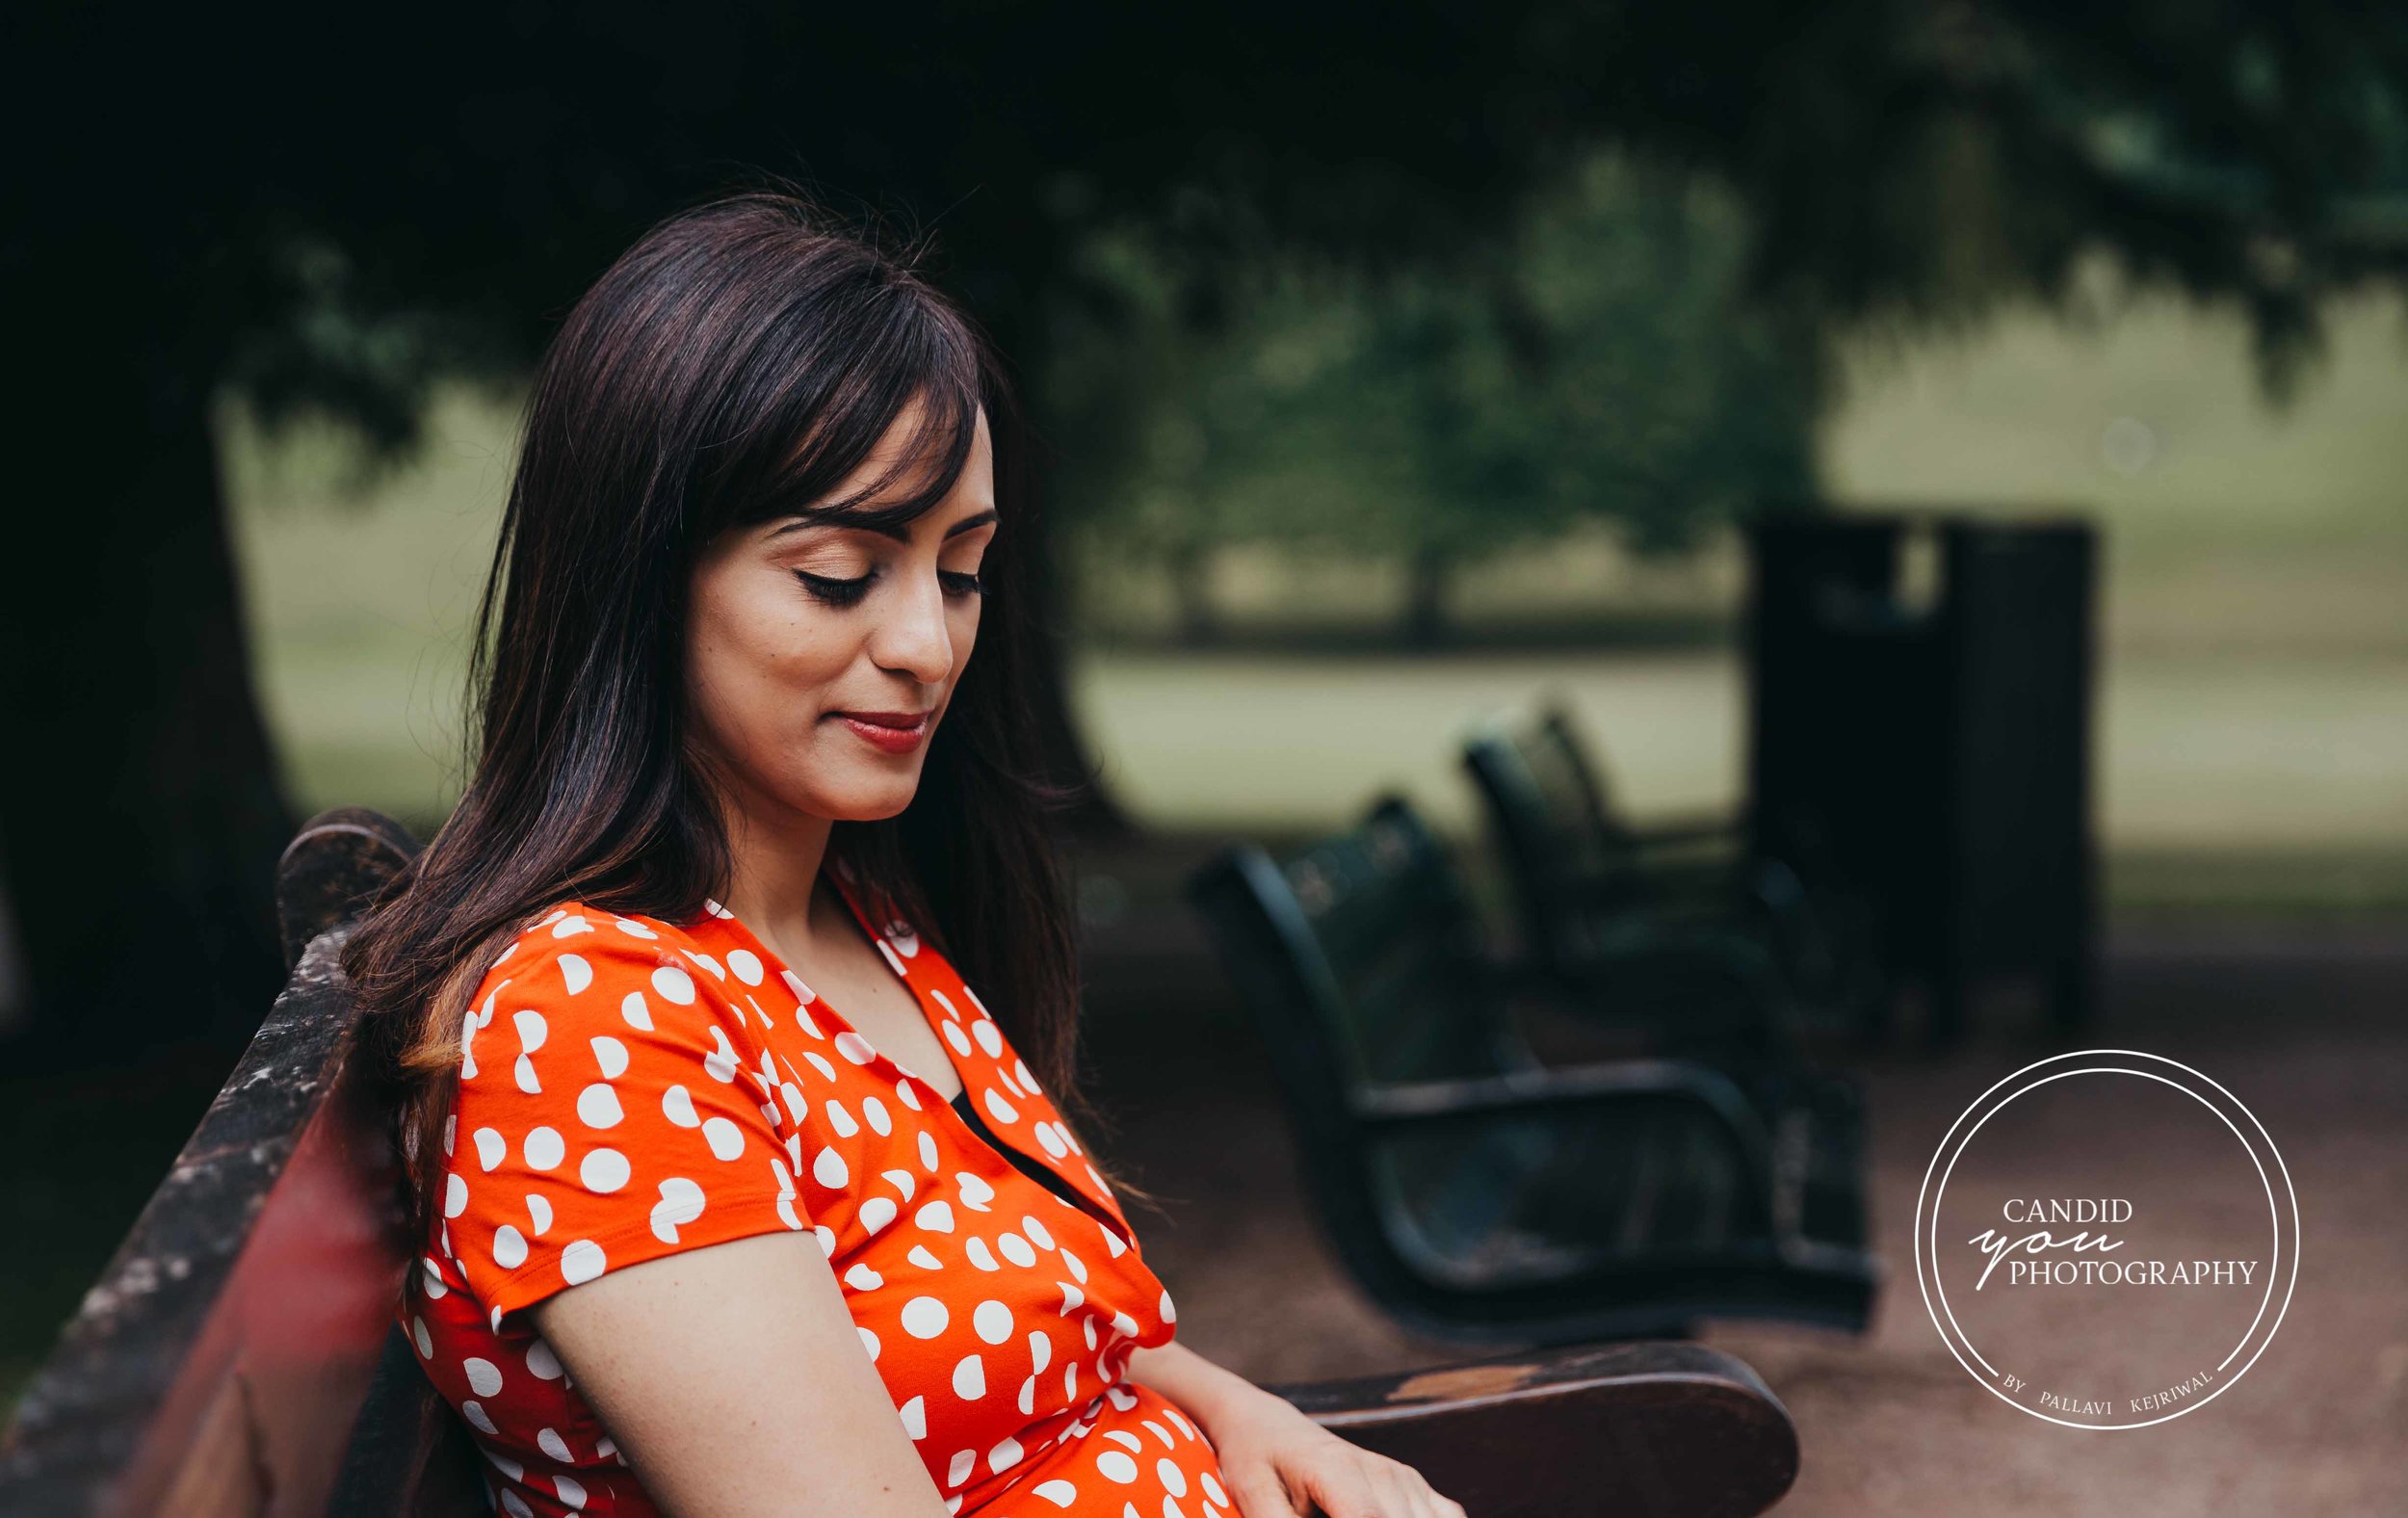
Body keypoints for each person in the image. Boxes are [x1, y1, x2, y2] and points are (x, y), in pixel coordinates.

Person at [341, 190, 1466, 1518]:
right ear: (637, 581)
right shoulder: (594, 1027)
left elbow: (1037, 1313)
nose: (929, 646)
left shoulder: (858, 925)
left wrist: (1251, 1417)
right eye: (840, 575)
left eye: (963, 569)